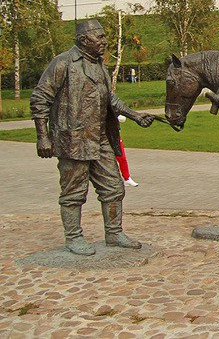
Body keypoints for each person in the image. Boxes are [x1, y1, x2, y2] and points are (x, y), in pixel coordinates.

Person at [30, 19, 155, 256]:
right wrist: (42, 137)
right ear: (83, 40)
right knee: (73, 193)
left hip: (99, 138)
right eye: (100, 37)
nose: (105, 41)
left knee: (114, 187)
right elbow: (40, 99)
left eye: (104, 36)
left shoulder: (99, 65)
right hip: (73, 140)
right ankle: (73, 237)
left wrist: (135, 115)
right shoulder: (63, 63)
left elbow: (110, 98)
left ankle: (114, 233)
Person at [115, 116, 138, 187]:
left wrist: (116, 116)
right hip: (102, 136)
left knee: (122, 158)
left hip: (115, 135)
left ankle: (127, 178)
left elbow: (123, 119)